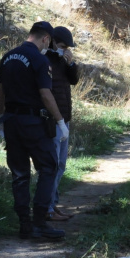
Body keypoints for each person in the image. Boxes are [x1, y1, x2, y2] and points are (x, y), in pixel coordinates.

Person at [0, 21, 70, 239]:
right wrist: (60, 122)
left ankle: (24, 224)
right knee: (48, 167)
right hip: (33, 123)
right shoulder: (40, 59)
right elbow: (46, 94)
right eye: (49, 42)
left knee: (20, 174)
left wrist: (2, 116)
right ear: (45, 38)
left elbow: (0, 92)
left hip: (12, 121)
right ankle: (39, 222)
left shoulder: (8, 57)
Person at [45, 25, 80, 222]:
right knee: (53, 165)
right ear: (52, 42)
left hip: (65, 118)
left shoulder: (62, 61)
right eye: (62, 46)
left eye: (67, 47)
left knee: (61, 165)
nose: (65, 50)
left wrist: (71, 64)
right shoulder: (45, 60)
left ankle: (52, 204)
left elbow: (74, 81)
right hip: (53, 120)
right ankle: (47, 208)